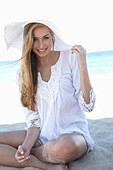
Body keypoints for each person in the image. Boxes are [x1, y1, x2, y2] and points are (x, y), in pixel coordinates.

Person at [0, 20, 96, 170]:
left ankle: (30, 155)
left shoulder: (69, 58)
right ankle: (44, 165)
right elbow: (34, 122)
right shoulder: (22, 73)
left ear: (53, 37)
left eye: (45, 37)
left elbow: (88, 105)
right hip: (40, 136)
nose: (41, 45)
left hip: (73, 135)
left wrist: (82, 65)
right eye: (34, 39)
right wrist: (25, 146)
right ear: (27, 42)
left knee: (62, 149)